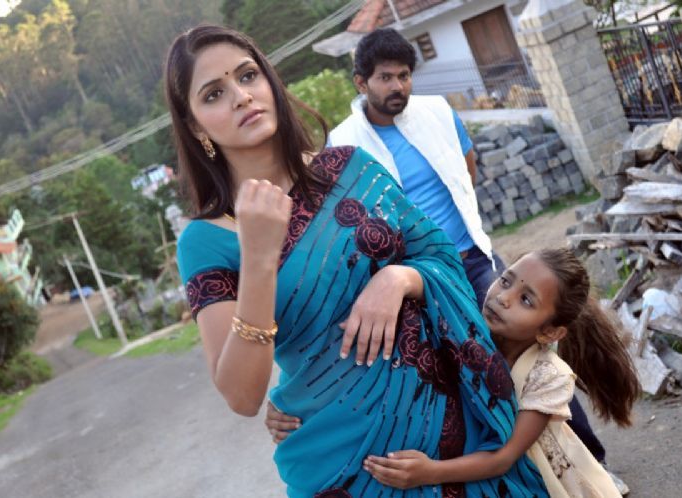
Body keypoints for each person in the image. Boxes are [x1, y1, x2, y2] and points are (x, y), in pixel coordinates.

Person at [167, 24, 547, 498]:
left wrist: (400, 278)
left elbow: (439, 254)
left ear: (269, 81)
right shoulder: (206, 240)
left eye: (247, 76)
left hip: (453, 439)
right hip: (345, 466)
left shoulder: (352, 168)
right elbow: (242, 395)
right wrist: (260, 259)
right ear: (196, 126)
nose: (241, 96)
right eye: (214, 94)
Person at [361, 248, 641, 497]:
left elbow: (503, 458)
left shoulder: (548, 377)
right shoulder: (469, 331)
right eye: (505, 281)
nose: (503, 298)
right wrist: (396, 278)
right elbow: (436, 289)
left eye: (526, 300)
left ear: (550, 332)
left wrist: (429, 472)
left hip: (543, 480)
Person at [328, 28, 503, 309]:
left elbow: (466, 172)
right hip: (419, 280)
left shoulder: (438, 112)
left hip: (474, 258)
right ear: (361, 83)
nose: (397, 86)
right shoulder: (343, 143)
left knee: (515, 327)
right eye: (385, 77)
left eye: (404, 76)